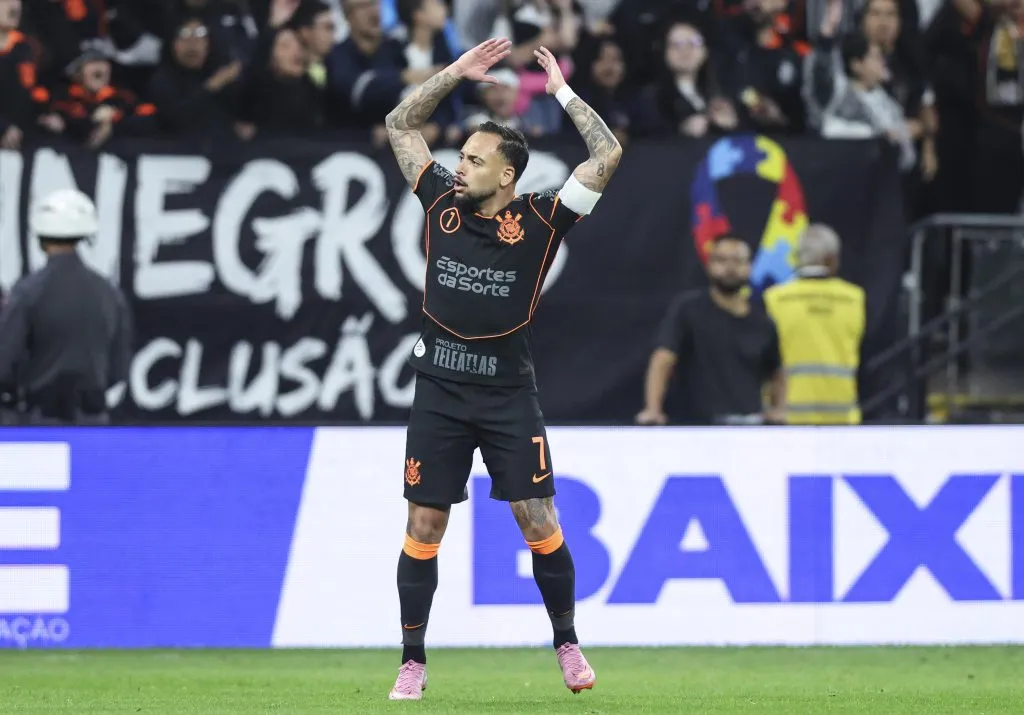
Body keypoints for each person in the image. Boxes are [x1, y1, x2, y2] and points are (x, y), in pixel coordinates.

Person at [383, 38, 622, 700]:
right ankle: (412, 658)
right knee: (424, 524)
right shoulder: (439, 201)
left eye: (475, 159)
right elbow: (400, 124)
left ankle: (568, 643)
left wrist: (563, 94)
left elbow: (606, 156)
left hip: (508, 392)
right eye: (460, 155)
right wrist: (455, 74)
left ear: (507, 174)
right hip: (439, 390)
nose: (459, 166)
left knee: (537, 516)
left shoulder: (543, 220)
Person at [0, 189, 132, 425]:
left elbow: (4, 361)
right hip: (93, 423)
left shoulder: (28, 292)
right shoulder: (109, 293)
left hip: (40, 424)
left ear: (40, 235)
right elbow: (119, 368)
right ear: (85, 234)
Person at [636, 234, 785, 426]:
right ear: (709, 265)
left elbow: (777, 372)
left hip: (750, 428)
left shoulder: (763, 321)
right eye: (722, 260)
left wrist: (779, 409)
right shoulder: (689, 310)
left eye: (738, 261)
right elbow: (662, 359)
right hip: (697, 427)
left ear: (750, 267)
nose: (730, 268)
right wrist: (652, 409)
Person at [764, 224, 865, 425]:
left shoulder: (775, 299)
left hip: (788, 415)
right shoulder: (854, 299)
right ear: (831, 258)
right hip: (842, 414)